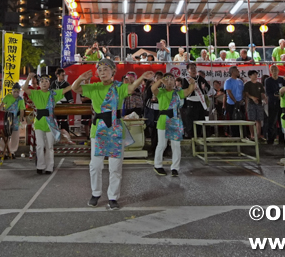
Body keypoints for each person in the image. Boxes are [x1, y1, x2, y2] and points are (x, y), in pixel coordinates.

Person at [71, 60, 153, 210]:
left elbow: (131, 88)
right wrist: (81, 77)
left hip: (115, 129)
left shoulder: (119, 87)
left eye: (106, 69)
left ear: (113, 71)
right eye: (100, 70)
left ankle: (113, 197)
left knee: (115, 167)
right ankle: (96, 193)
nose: (102, 72)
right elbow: (75, 88)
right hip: (99, 130)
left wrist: (141, 78)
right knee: (95, 165)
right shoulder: (94, 87)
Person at [24, 73, 74, 175]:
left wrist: (79, 80)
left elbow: (66, 89)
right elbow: (24, 89)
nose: (44, 83)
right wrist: (29, 77)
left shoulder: (53, 93)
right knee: (40, 145)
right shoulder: (35, 93)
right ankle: (40, 166)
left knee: (49, 146)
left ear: (49, 83)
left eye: (46, 81)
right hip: (39, 123)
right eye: (42, 81)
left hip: (50, 123)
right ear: (39, 83)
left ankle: (49, 167)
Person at [150, 72, 195, 176]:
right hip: (163, 120)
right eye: (167, 79)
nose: (169, 81)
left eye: (171, 79)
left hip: (175, 120)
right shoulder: (160, 91)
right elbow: (152, 89)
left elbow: (188, 91)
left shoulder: (177, 93)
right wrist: (160, 81)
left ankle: (175, 168)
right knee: (162, 144)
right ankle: (158, 165)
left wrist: (192, 84)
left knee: (176, 145)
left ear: (175, 81)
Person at [181, 63, 209, 139]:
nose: (193, 70)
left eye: (194, 68)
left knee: (200, 118)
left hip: (200, 102)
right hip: (190, 101)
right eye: (191, 68)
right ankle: (190, 135)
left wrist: (204, 88)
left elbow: (207, 88)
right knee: (190, 119)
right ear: (188, 70)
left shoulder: (200, 78)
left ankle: (199, 135)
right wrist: (191, 89)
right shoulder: (185, 79)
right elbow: (184, 91)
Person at [264, 65, 285, 145]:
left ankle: (282, 139)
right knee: (272, 122)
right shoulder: (268, 80)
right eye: (272, 70)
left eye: (275, 69)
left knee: (282, 121)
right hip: (272, 103)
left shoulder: (281, 80)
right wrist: (275, 95)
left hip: (281, 103)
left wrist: (281, 95)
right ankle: (270, 139)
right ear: (270, 71)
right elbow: (268, 92)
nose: (274, 71)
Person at [0, 84, 24, 157]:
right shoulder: (8, 96)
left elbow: (22, 110)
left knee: (15, 135)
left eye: (17, 91)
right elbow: (1, 105)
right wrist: (0, 113)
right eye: (14, 91)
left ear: (19, 91)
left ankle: (12, 151)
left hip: (16, 119)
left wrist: (20, 118)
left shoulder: (20, 99)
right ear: (12, 91)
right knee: (5, 134)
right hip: (7, 118)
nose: (16, 93)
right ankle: (3, 150)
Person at [243, 70, 266, 141]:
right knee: (251, 119)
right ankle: (252, 135)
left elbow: (262, 93)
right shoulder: (247, 84)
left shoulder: (259, 84)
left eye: (256, 74)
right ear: (250, 76)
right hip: (251, 103)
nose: (256, 76)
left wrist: (264, 99)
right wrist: (252, 97)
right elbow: (246, 93)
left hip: (259, 103)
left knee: (258, 120)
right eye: (254, 74)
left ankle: (258, 135)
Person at [224, 66, 245, 136]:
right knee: (233, 119)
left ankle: (242, 135)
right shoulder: (228, 81)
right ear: (232, 72)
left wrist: (242, 100)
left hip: (240, 103)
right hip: (231, 104)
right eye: (236, 70)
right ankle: (234, 135)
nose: (238, 72)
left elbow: (243, 91)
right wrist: (235, 101)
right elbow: (229, 92)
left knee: (242, 119)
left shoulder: (240, 81)